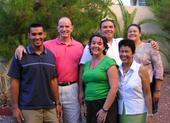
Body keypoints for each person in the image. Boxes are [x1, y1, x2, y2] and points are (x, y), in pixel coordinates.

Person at [15, 17, 84, 123]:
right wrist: (20, 47)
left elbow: (81, 70)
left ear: (72, 28)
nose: (64, 29)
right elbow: (34, 46)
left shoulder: (79, 47)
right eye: (61, 26)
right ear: (57, 28)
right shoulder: (48, 45)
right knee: (56, 119)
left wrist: (80, 91)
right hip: (51, 89)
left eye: (67, 26)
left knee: (73, 120)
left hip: (71, 88)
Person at [8, 23, 62, 123]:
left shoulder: (50, 56)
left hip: (50, 107)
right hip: (29, 109)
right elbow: (14, 82)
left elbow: (53, 81)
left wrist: (58, 103)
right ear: (29, 35)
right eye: (34, 34)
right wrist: (15, 107)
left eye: (40, 34)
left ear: (44, 34)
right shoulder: (21, 55)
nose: (37, 37)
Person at [82, 32, 119, 123]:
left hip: (104, 103)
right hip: (90, 103)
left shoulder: (109, 62)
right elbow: (86, 85)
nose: (96, 46)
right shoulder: (87, 64)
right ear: (89, 45)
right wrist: (85, 105)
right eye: (93, 43)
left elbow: (114, 88)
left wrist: (105, 109)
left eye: (99, 43)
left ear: (104, 47)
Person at [127, 24, 164, 113]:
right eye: (130, 31)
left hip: (147, 86)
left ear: (140, 34)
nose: (132, 33)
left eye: (134, 31)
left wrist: (157, 90)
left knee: (148, 113)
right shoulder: (125, 48)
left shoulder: (150, 47)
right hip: (131, 87)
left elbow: (158, 68)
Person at [118, 39, 153, 123]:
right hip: (120, 111)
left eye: (127, 51)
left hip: (137, 111)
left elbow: (147, 93)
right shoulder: (116, 69)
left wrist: (150, 114)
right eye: (121, 51)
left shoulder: (141, 69)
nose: (124, 54)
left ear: (133, 53)